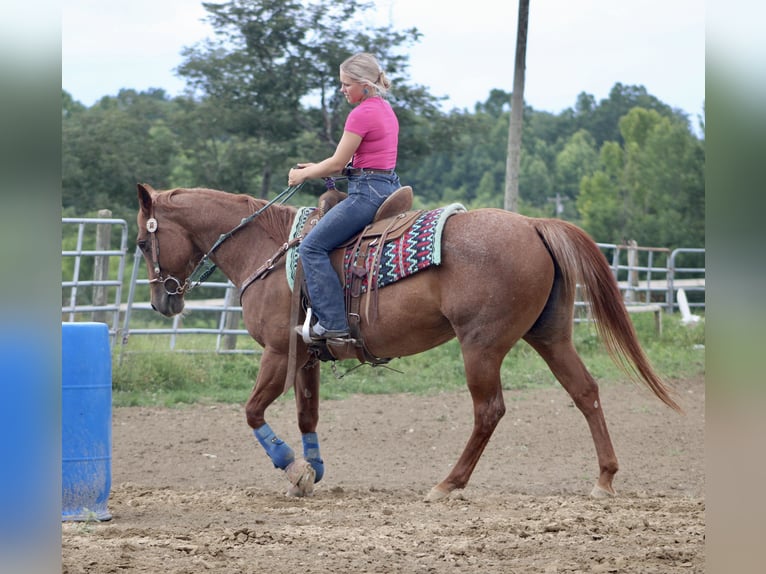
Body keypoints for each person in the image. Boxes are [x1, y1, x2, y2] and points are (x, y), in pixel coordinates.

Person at [288, 52, 401, 342]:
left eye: (346, 84)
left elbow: (338, 163)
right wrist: (316, 168)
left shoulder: (361, 113)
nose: (342, 89)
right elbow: (360, 160)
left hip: (367, 194)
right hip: (388, 186)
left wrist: (302, 175)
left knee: (311, 248)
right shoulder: (384, 108)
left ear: (364, 85)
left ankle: (333, 323)